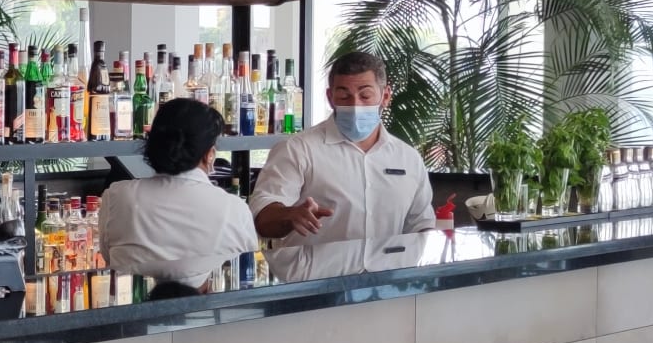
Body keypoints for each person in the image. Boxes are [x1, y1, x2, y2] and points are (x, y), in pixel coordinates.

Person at [251, 51, 435, 243]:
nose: (355, 105)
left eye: (365, 95)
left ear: (386, 96)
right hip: (317, 264)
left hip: (387, 263)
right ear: (330, 97)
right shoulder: (298, 149)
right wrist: (290, 215)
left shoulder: (408, 158)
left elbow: (422, 225)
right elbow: (262, 216)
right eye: (344, 96)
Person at [98, 98, 256, 297]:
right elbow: (246, 273)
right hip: (209, 314)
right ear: (209, 154)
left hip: (130, 311)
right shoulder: (234, 209)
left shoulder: (117, 197)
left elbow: (108, 257)